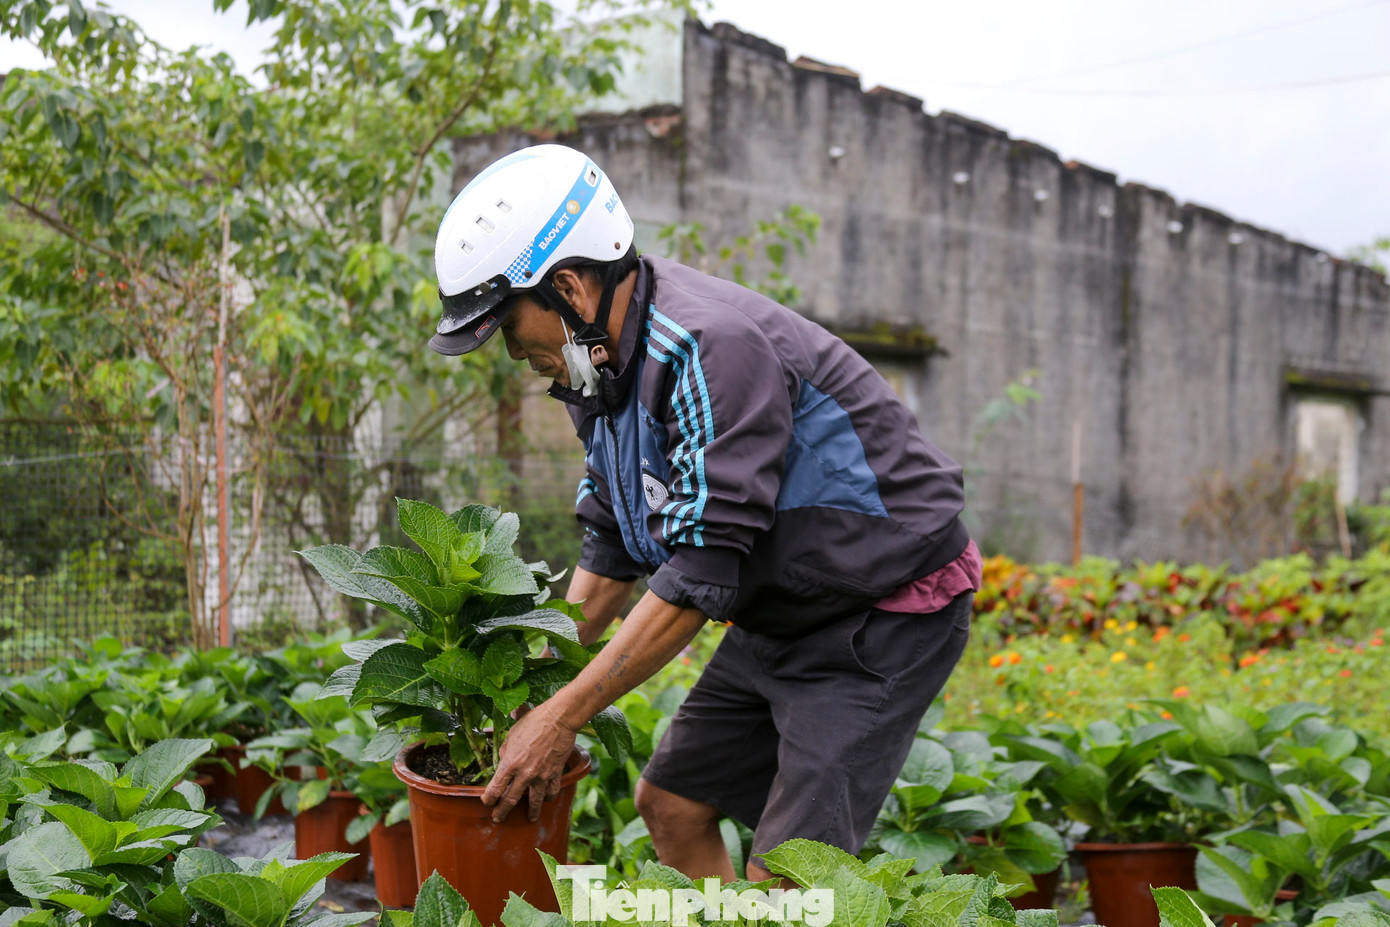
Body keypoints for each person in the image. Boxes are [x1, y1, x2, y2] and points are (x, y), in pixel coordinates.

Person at [428, 144, 981, 882]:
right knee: (671, 804)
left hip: (881, 610)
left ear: (568, 288)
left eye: (506, 324)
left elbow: (700, 572)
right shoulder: (598, 369)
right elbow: (610, 546)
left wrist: (561, 716)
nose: (510, 351)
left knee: (789, 875)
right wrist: (533, 681)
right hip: (785, 601)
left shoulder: (706, 347)